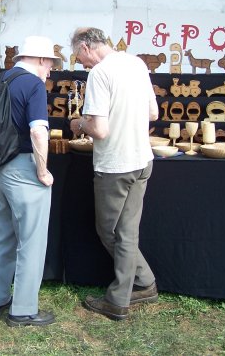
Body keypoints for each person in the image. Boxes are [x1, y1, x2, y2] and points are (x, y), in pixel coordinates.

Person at [69, 27, 159, 321]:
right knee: (127, 231)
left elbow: (99, 130)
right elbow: (153, 114)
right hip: (142, 160)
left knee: (109, 231)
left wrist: (78, 124)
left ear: (86, 47)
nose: (81, 63)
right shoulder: (136, 63)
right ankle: (144, 283)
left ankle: (119, 299)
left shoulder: (99, 73)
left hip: (116, 165)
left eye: (78, 56)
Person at [0, 35, 59, 327]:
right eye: (50, 63)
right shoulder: (33, 85)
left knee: (1, 234)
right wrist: (42, 171)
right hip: (23, 168)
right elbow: (38, 131)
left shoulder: (2, 79)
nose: (51, 69)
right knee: (31, 241)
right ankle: (23, 310)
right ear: (40, 59)